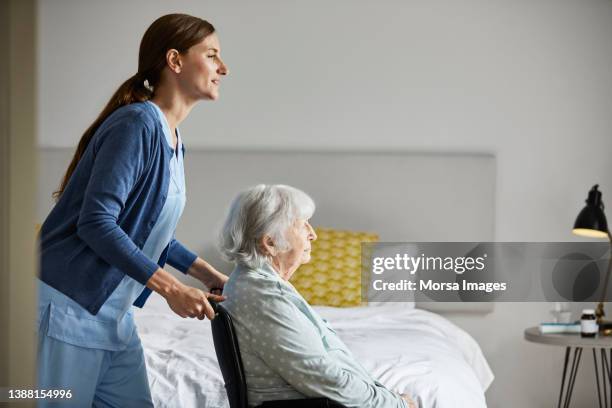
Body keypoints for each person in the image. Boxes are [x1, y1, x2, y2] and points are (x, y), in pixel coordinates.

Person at [37, 13, 229, 407]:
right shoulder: (137, 124)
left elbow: (144, 228)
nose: (223, 68)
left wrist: (205, 272)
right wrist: (172, 288)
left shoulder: (173, 139)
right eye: (211, 56)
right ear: (175, 61)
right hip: (68, 310)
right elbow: (97, 222)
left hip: (114, 318)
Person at [218, 184, 417, 408]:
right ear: (270, 242)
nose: (313, 234)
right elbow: (322, 377)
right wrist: (396, 404)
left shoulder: (261, 285)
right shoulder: (263, 297)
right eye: (303, 226)